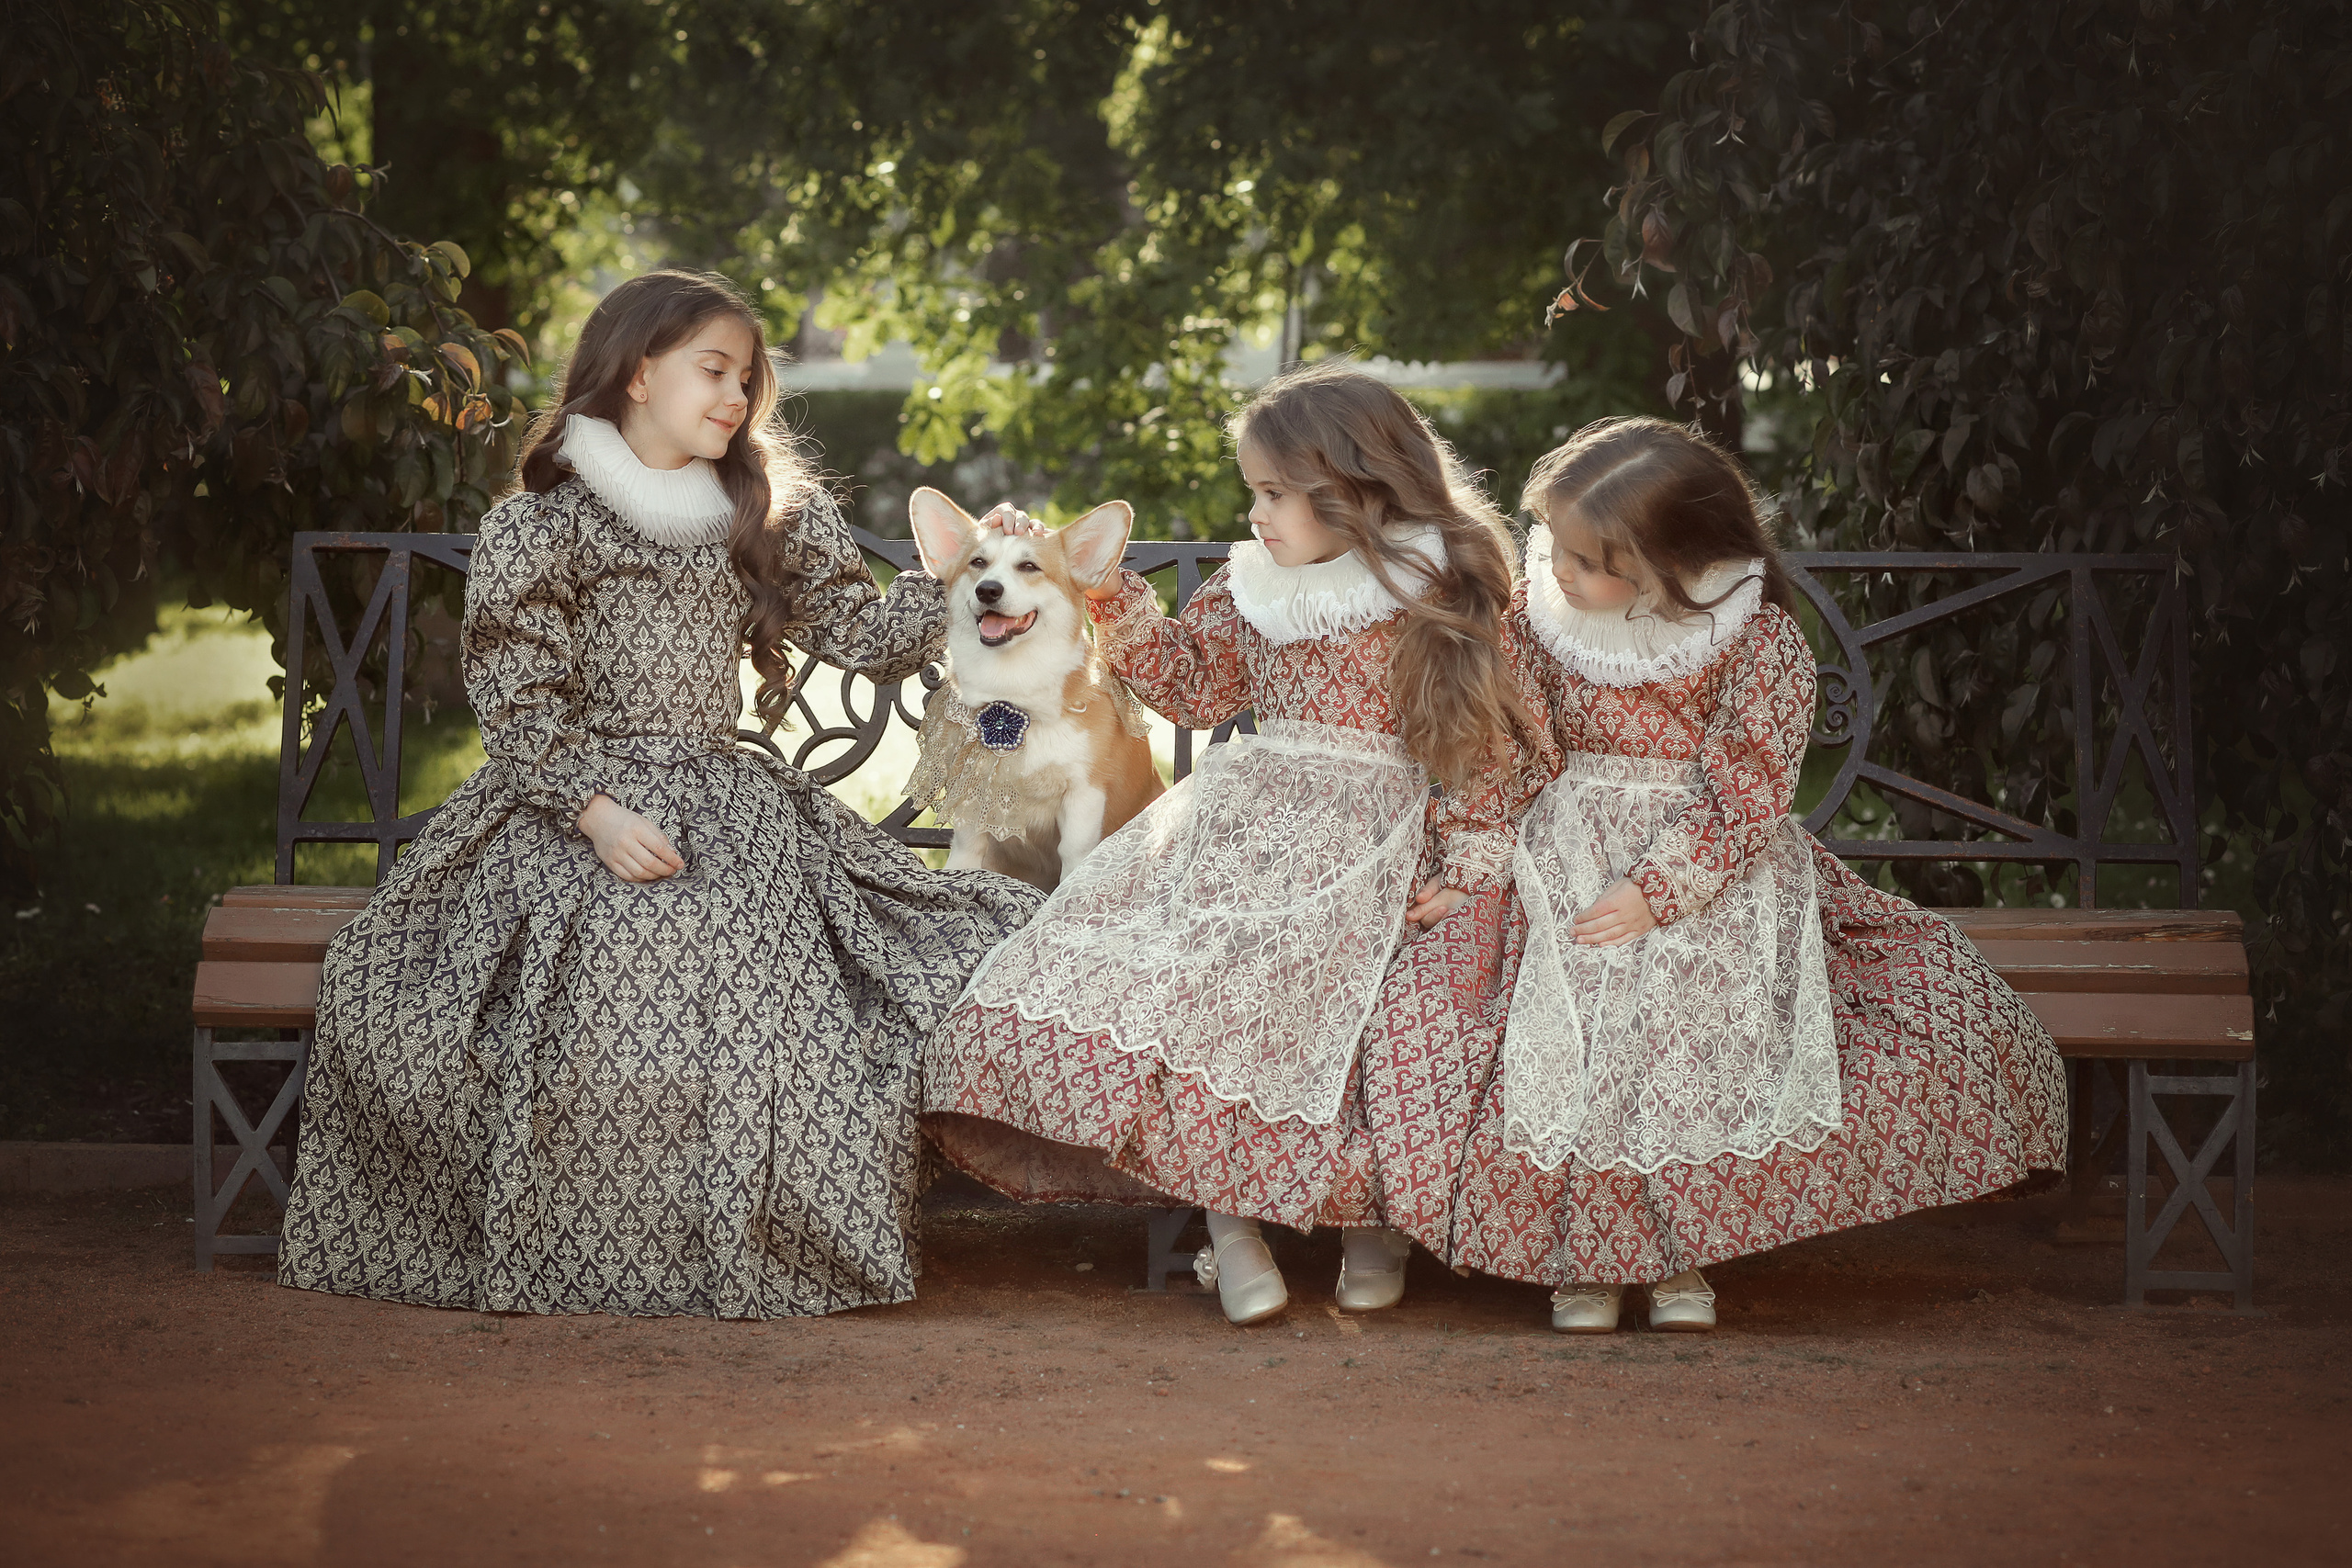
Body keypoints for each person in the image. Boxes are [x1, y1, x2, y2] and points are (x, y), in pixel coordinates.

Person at [276, 270, 1042, 1317]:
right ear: (639, 372)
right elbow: (518, 695)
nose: (738, 398)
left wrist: (971, 569)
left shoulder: (762, 509)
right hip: (567, 806)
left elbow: (863, 638)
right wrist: (593, 811)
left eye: (748, 379)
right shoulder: (546, 524)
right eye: (713, 371)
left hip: (724, 799)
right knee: (582, 977)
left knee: (814, 979)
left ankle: (755, 1234)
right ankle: (606, 1253)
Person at [922, 363, 1543, 1324]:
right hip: (1248, 825)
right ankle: (1230, 1228)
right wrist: (1107, 595)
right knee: (1205, 987)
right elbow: (1194, 685)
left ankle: (1370, 1228)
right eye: (1252, 492)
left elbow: (1484, 741)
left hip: (1384, 829)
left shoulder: (1432, 588)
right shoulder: (1250, 583)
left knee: (1385, 1007)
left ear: (1357, 488)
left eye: (1274, 494)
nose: (1255, 515)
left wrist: (1469, 860)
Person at [1447, 415, 2068, 1332]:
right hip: (1564, 845)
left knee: (1680, 1001)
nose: (1564, 575)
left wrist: (1654, 891)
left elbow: (1746, 791)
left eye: (1591, 560)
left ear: (1676, 558)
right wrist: (1476, 853)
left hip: (1710, 866)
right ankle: (1589, 1251)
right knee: (1578, 1004)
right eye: (1558, 552)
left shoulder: (1755, 640)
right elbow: (1503, 755)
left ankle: (1674, 1250)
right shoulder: (1537, 625)